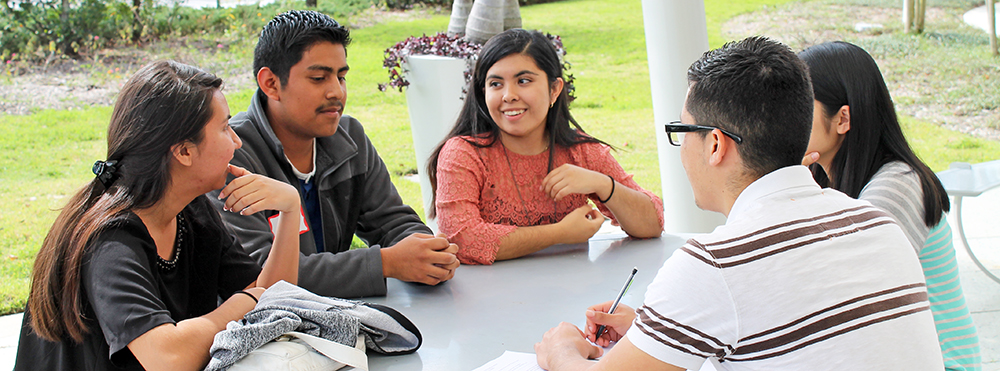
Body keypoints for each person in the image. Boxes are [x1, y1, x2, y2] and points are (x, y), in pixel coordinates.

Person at [534, 36, 943, 370]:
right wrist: (657, 332)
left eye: (682, 130)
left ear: (715, 143)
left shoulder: (714, 264)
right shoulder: (876, 223)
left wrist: (561, 351)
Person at [14, 60, 302, 371]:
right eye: (224, 128)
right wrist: (243, 303)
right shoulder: (109, 243)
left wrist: (289, 209)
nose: (237, 141)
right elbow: (167, 358)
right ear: (183, 152)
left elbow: (273, 299)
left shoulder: (192, 212)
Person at [209, 10, 459, 298]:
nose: (337, 92)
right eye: (318, 78)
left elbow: (393, 222)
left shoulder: (349, 138)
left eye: (341, 77)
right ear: (271, 84)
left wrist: (427, 253)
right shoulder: (233, 155)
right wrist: (386, 263)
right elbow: (260, 275)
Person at [799, 41, 981, 370]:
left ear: (843, 119)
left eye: (799, 109)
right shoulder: (822, 178)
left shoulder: (899, 184)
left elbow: (838, 289)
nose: (786, 122)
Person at [427, 29, 664, 265]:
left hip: (573, 296)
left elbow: (653, 224)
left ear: (554, 89)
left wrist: (602, 184)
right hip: (488, 298)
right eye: (496, 84)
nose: (508, 95)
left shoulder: (580, 152)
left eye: (523, 81)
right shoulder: (463, 153)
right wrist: (560, 233)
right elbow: (462, 240)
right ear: (483, 93)